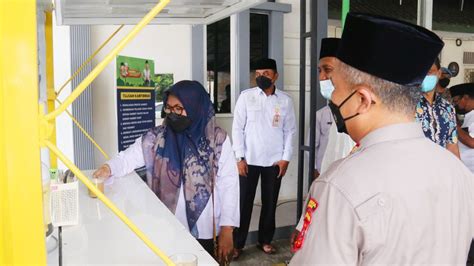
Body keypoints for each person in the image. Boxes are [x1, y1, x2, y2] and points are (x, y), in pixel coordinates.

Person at [290, 12, 474, 264]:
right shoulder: (457, 172)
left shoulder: (339, 186)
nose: (333, 99)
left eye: (337, 88)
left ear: (363, 100)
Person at [93, 80, 239, 263]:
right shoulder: (157, 137)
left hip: (206, 227)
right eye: (169, 108)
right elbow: (127, 158)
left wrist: (227, 228)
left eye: (179, 108)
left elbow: (229, 184)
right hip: (167, 225)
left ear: (196, 107)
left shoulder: (217, 140)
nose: (173, 114)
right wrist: (108, 168)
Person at [232, 58, 296, 257]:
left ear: (275, 75)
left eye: (266, 73)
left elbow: (290, 131)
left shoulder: (285, 101)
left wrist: (286, 158)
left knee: (270, 203)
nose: (261, 77)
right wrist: (239, 157)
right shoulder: (246, 97)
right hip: (248, 161)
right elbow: (237, 128)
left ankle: (265, 240)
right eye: (258, 74)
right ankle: (237, 244)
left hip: (274, 161)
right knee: (244, 203)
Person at [416, 57, 460, 158]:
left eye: (430, 72)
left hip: (441, 170)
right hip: (416, 169)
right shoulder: (407, 105)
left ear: (439, 73)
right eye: (422, 72)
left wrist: (458, 173)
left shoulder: (448, 108)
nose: (425, 76)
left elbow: (452, 147)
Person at [450, 83, 474, 172]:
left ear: (465, 98)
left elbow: (472, 142)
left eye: (456, 101)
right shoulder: (470, 116)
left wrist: (453, 124)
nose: (456, 105)